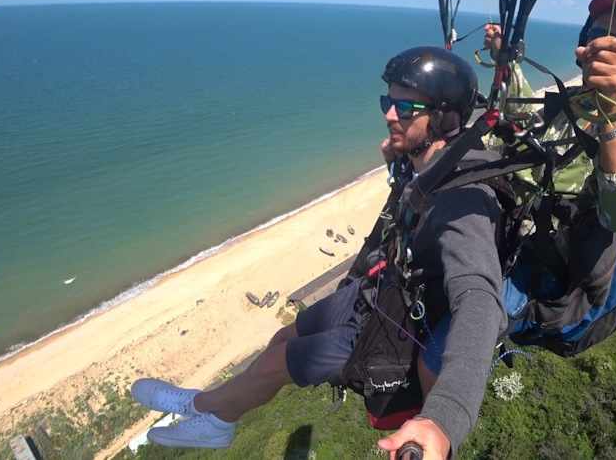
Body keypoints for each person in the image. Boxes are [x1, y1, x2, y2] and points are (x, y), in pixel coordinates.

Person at [130, 47, 508, 459]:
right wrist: (399, 171)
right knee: (282, 336)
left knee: (277, 364)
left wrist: (446, 415)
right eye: (387, 102)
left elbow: (480, 302)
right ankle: (220, 421)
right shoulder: (428, 161)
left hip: (391, 326)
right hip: (376, 292)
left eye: (404, 106)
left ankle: (197, 405)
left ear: (443, 117)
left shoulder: (464, 197)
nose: (389, 115)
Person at [480, 0, 616, 233]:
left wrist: (609, 111)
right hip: (509, 223)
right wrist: (505, 56)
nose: (605, 48)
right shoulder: (576, 98)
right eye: (598, 35)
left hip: (545, 259)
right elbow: (527, 118)